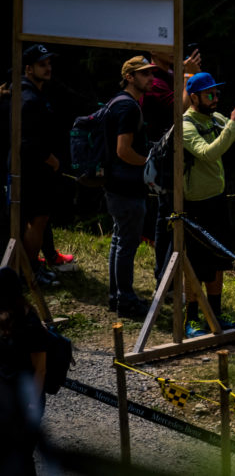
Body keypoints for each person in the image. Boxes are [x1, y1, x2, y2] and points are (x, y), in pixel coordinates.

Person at [181, 72, 235, 337]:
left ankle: (215, 312)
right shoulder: (185, 125)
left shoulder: (215, 118)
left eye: (216, 94)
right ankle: (191, 318)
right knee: (194, 262)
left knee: (218, 261)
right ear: (194, 97)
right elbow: (208, 152)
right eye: (209, 94)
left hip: (217, 201)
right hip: (193, 205)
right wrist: (233, 124)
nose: (215, 99)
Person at [11, 44, 74, 286]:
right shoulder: (28, 99)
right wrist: (51, 159)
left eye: (49, 63)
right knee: (36, 219)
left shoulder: (32, 92)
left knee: (39, 218)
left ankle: (31, 265)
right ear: (28, 68)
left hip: (35, 168)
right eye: (42, 64)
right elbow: (25, 141)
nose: (48, 68)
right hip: (33, 169)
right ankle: (29, 271)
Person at [142, 46, 202, 283]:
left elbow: (194, 100)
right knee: (168, 217)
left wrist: (191, 76)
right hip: (164, 159)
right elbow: (180, 109)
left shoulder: (168, 75)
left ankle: (169, 276)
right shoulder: (154, 81)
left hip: (178, 155)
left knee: (170, 216)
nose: (173, 51)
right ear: (153, 52)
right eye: (166, 48)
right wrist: (187, 76)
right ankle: (164, 277)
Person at [103, 56, 157, 318]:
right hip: (126, 186)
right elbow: (123, 150)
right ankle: (125, 299)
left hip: (115, 183)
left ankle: (117, 296)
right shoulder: (128, 108)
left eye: (151, 73)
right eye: (144, 74)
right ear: (130, 77)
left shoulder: (119, 103)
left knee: (119, 239)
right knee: (127, 242)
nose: (150, 78)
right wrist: (148, 163)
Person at [0, 266, 48, 475]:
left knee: (22, 456)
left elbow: (40, 370)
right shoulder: (3, 318)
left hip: (25, 400)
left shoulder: (30, 323)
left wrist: (30, 405)